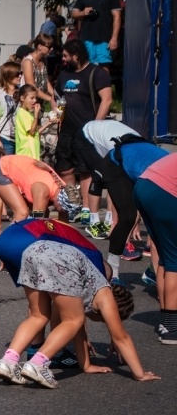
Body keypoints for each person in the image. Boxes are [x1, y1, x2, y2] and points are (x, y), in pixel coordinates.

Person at [0, 218, 158, 388]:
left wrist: (86, 366)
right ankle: (37, 364)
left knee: (38, 315)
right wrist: (140, 374)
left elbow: (78, 333)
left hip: (32, 250)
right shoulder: (104, 293)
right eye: (105, 320)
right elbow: (121, 337)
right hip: (57, 258)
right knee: (73, 320)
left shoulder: (85, 289)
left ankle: (8, 362)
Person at [79, 121, 165, 284]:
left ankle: (153, 272)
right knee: (128, 217)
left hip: (139, 162)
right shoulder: (165, 181)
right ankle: (113, 273)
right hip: (116, 162)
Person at [55, 39, 113, 235]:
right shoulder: (64, 74)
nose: (63, 59)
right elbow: (58, 98)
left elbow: (107, 100)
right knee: (65, 168)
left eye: (65, 56)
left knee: (86, 170)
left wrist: (95, 126)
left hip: (88, 128)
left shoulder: (96, 73)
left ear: (76, 55)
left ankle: (87, 210)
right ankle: (74, 205)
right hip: (66, 129)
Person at [0, 149, 82, 240]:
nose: (65, 212)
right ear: (60, 202)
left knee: (42, 219)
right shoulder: (42, 191)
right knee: (22, 213)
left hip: (19, 170)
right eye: (64, 210)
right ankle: (6, 247)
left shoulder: (65, 190)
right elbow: (36, 225)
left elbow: (64, 227)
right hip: (1, 169)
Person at [134, 152, 177, 344]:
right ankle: (171, 327)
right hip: (164, 190)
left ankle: (166, 320)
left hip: (145, 184)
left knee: (166, 258)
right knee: (175, 260)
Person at [71, 0, 122, 71]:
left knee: (104, 66)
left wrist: (114, 38)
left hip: (104, 38)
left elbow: (117, 16)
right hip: (86, 38)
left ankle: (104, 86)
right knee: (86, 65)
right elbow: (74, 13)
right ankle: (89, 87)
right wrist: (83, 13)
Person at [14, 84, 56, 159]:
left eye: (35, 98)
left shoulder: (29, 113)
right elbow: (32, 131)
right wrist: (36, 115)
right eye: (32, 98)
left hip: (33, 153)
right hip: (26, 154)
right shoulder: (22, 113)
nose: (35, 100)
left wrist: (48, 123)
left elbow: (35, 133)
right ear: (23, 98)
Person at [0, 61, 22, 156]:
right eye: (17, 74)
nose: (20, 76)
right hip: (4, 139)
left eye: (21, 73)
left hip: (20, 138)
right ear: (9, 75)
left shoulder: (22, 92)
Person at [20, 34, 56, 106]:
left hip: (39, 103)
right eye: (49, 47)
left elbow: (45, 81)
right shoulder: (28, 61)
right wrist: (50, 99)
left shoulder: (44, 60)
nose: (52, 49)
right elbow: (31, 86)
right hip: (28, 104)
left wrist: (55, 96)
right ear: (39, 46)